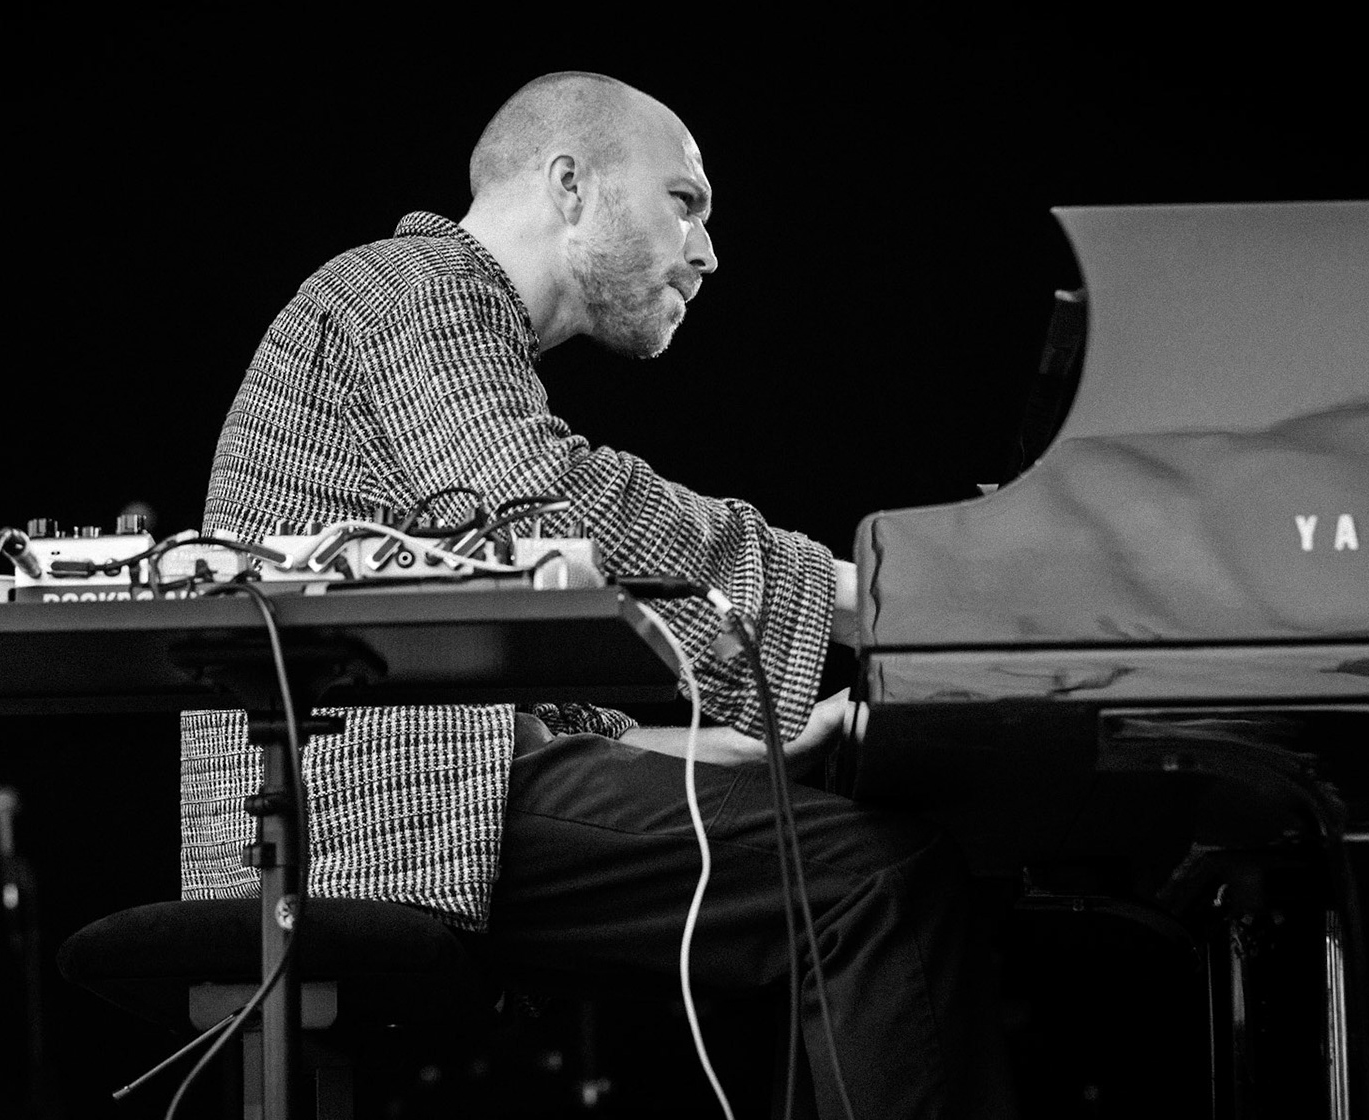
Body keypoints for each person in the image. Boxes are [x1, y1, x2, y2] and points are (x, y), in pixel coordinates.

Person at [182, 71, 1011, 1117]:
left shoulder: (439, 330)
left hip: (442, 791)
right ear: (570, 183)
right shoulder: (408, 286)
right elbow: (556, 500)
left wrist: (765, 748)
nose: (709, 251)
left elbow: (541, 727)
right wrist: (873, 598)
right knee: (880, 879)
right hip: (372, 817)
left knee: (845, 851)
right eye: (686, 203)